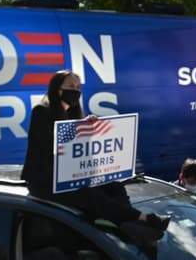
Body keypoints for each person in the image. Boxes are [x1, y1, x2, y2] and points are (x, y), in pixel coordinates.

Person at [21, 71, 168, 237]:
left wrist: (89, 129)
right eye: (70, 87)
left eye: (78, 87)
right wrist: (79, 128)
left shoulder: (74, 114)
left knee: (114, 186)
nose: (75, 91)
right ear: (57, 89)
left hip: (69, 178)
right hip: (45, 183)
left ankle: (126, 221)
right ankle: (144, 218)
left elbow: (82, 150)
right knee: (89, 195)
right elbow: (48, 146)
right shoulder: (41, 112)